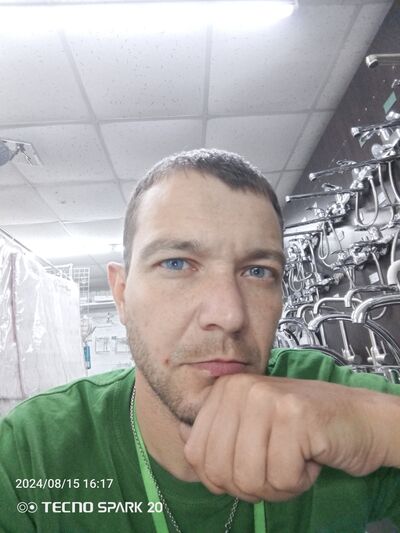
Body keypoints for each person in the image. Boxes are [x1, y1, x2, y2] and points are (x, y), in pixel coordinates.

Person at [0, 148, 400, 533]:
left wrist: (377, 426)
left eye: (258, 271)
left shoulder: (332, 399)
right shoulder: (35, 452)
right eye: (176, 263)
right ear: (121, 295)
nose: (229, 315)